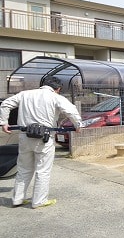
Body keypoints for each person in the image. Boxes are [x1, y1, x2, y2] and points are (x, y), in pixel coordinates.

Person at [0, 76, 83, 209]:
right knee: (42, 170)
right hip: (44, 138)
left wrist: (4, 122)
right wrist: (78, 125)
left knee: (23, 169)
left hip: (24, 136)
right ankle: (39, 200)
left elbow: (5, 104)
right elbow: (71, 110)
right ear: (58, 88)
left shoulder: (25, 94)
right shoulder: (55, 97)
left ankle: (17, 199)